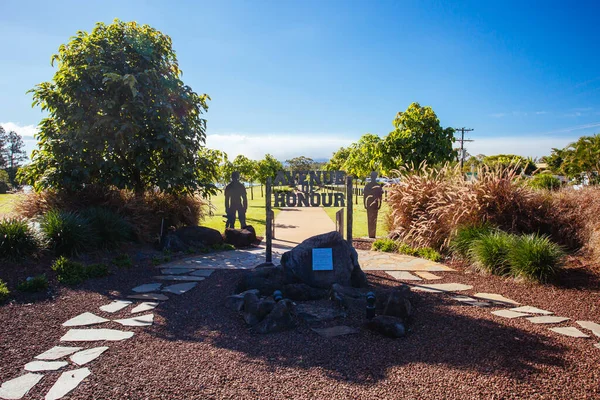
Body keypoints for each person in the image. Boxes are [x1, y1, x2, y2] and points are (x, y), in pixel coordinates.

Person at [363, 171, 383, 238]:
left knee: (373, 218)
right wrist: (364, 204)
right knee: (371, 218)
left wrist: (380, 204)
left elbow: (380, 196)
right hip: (370, 203)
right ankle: (371, 234)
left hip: (374, 203)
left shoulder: (374, 186)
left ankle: (372, 234)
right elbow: (365, 196)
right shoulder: (369, 186)